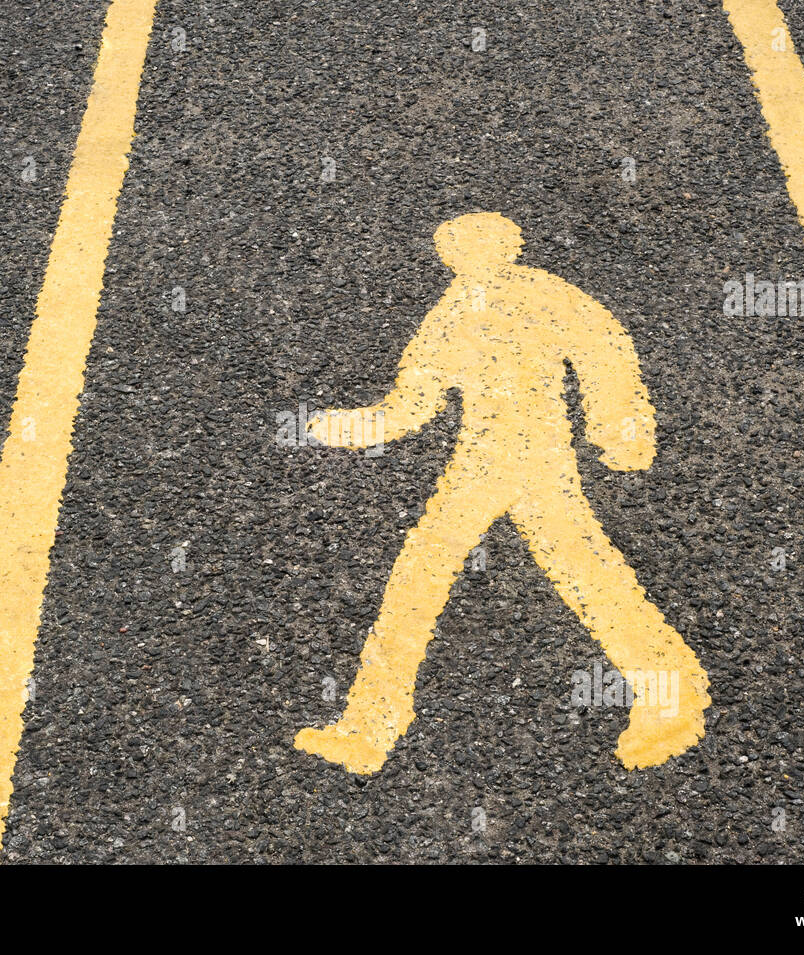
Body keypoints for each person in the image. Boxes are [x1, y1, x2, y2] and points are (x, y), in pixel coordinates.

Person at [295, 212, 710, 774]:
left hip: (536, 460)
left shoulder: (540, 294)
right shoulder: (450, 314)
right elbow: (412, 402)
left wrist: (618, 429)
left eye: (484, 243)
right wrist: (347, 427)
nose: (474, 254)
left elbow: (603, 347)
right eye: (463, 246)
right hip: (483, 462)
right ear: (451, 256)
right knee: (443, 576)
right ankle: (367, 727)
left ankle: (369, 727)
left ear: (509, 247)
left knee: (569, 573)